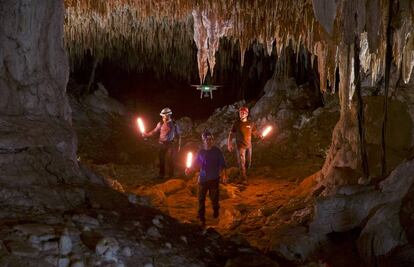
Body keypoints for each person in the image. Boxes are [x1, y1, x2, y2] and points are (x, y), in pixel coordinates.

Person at [185, 130, 227, 226]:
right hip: (203, 179)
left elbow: (223, 164)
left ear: (212, 140)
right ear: (203, 140)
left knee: (214, 199)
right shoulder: (201, 152)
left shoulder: (217, 151)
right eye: (206, 139)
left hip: (214, 179)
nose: (208, 141)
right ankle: (201, 217)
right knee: (201, 199)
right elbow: (195, 164)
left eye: (210, 139)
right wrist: (189, 169)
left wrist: (224, 175)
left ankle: (216, 210)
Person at [143, 107, 181, 179]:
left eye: (164, 116)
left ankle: (171, 175)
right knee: (161, 159)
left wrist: (179, 145)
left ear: (168, 115)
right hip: (161, 144)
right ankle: (161, 175)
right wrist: (146, 134)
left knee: (170, 160)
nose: (163, 117)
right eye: (162, 116)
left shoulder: (174, 124)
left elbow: (179, 135)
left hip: (170, 144)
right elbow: (154, 131)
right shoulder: (160, 123)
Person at [227, 106, 260, 183]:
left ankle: (242, 173)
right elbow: (231, 134)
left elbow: (255, 132)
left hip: (249, 146)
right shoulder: (236, 123)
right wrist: (229, 143)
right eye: (240, 113)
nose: (241, 114)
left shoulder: (250, 123)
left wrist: (259, 135)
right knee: (242, 163)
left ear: (247, 114)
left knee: (248, 163)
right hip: (240, 147)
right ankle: (243, 179)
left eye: (243, 113)